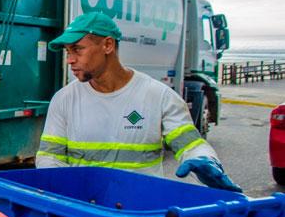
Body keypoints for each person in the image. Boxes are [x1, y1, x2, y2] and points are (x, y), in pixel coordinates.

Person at [36, 12, 242, 192]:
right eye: (67, 52)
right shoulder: (64, 99)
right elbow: (49, 157)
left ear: (108, 45)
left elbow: (190, 145)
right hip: (86, 210)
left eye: (77, 49)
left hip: (140, 210)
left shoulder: (158, 96)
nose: (70, 59)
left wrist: (205, 159)